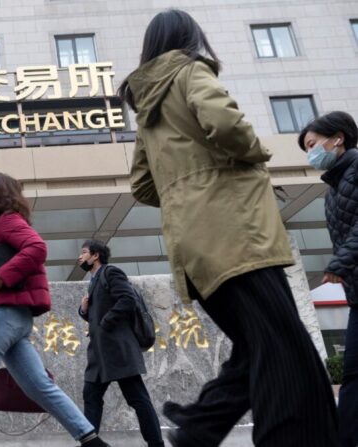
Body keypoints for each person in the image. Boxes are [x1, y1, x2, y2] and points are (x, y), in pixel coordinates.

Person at [119, 8, 339, 446]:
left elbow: (143, 185)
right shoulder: (190, 71)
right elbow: (226, 125)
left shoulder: (149, 112)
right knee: (284, 351)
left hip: (196, 251)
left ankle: (198, 428)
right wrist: (252, 154)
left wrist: (188, 192)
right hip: (238, 237)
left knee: (260, 346)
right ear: (189, 37)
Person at [0, 173, 109, 447]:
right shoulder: (5, 222)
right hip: (16, 318)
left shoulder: (7, 220)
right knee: (39, 386)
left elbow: (37, 247)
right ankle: (92, 440)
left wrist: (1, 276)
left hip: (2, 314)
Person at [298, 111, 358, 447]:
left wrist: (342, 261)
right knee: (352, 371)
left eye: (312, 144)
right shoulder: (331, 193)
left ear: (337, 138)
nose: (310, 154)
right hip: (357, 294)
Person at [77, 240, 164, 447]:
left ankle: (156, 443)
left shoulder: (111, 272)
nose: (80, 258)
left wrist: (106, 322)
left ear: (95, 255)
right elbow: (96, 316)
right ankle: (90, 443)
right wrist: (84, 311)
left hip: (117, 349)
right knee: (91, 396)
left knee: (137, 398)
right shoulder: (93, 281)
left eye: (83, 253)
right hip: (99, 353)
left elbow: (127, 299)